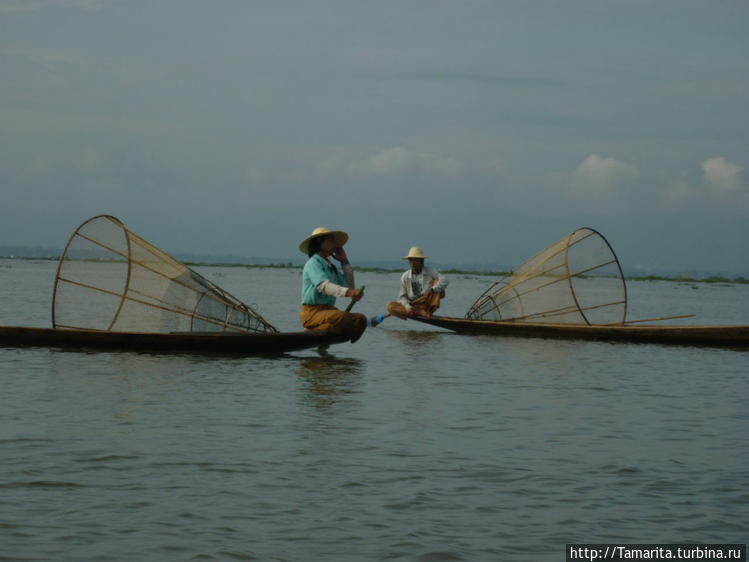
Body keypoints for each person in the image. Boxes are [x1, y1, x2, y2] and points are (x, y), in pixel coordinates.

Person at [299, 227, 368, 343]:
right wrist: (349, 293)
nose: (335, 244)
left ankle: (316, 330)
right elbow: (324, 287)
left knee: (360, 320)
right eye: (331, 240)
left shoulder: (331, 267)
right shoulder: (313, 263)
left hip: (329, 311)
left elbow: (349, 286)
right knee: (341, 317)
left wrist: (344, 261)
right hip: (312, 312)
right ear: (320, 242)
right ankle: (314, 328)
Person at [386, 246, 448, 319]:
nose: (413, 263)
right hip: (414, 305)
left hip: (427, 303)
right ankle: (419, 312)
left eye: (415, 260)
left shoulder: (429, 271)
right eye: (411, 260)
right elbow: (402, 297)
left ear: (422, 261)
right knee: (390, 306)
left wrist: (432, 290)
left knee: (437, 282)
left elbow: (445, 280)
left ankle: (427, 311)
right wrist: (408, 307)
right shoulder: (405, 276)